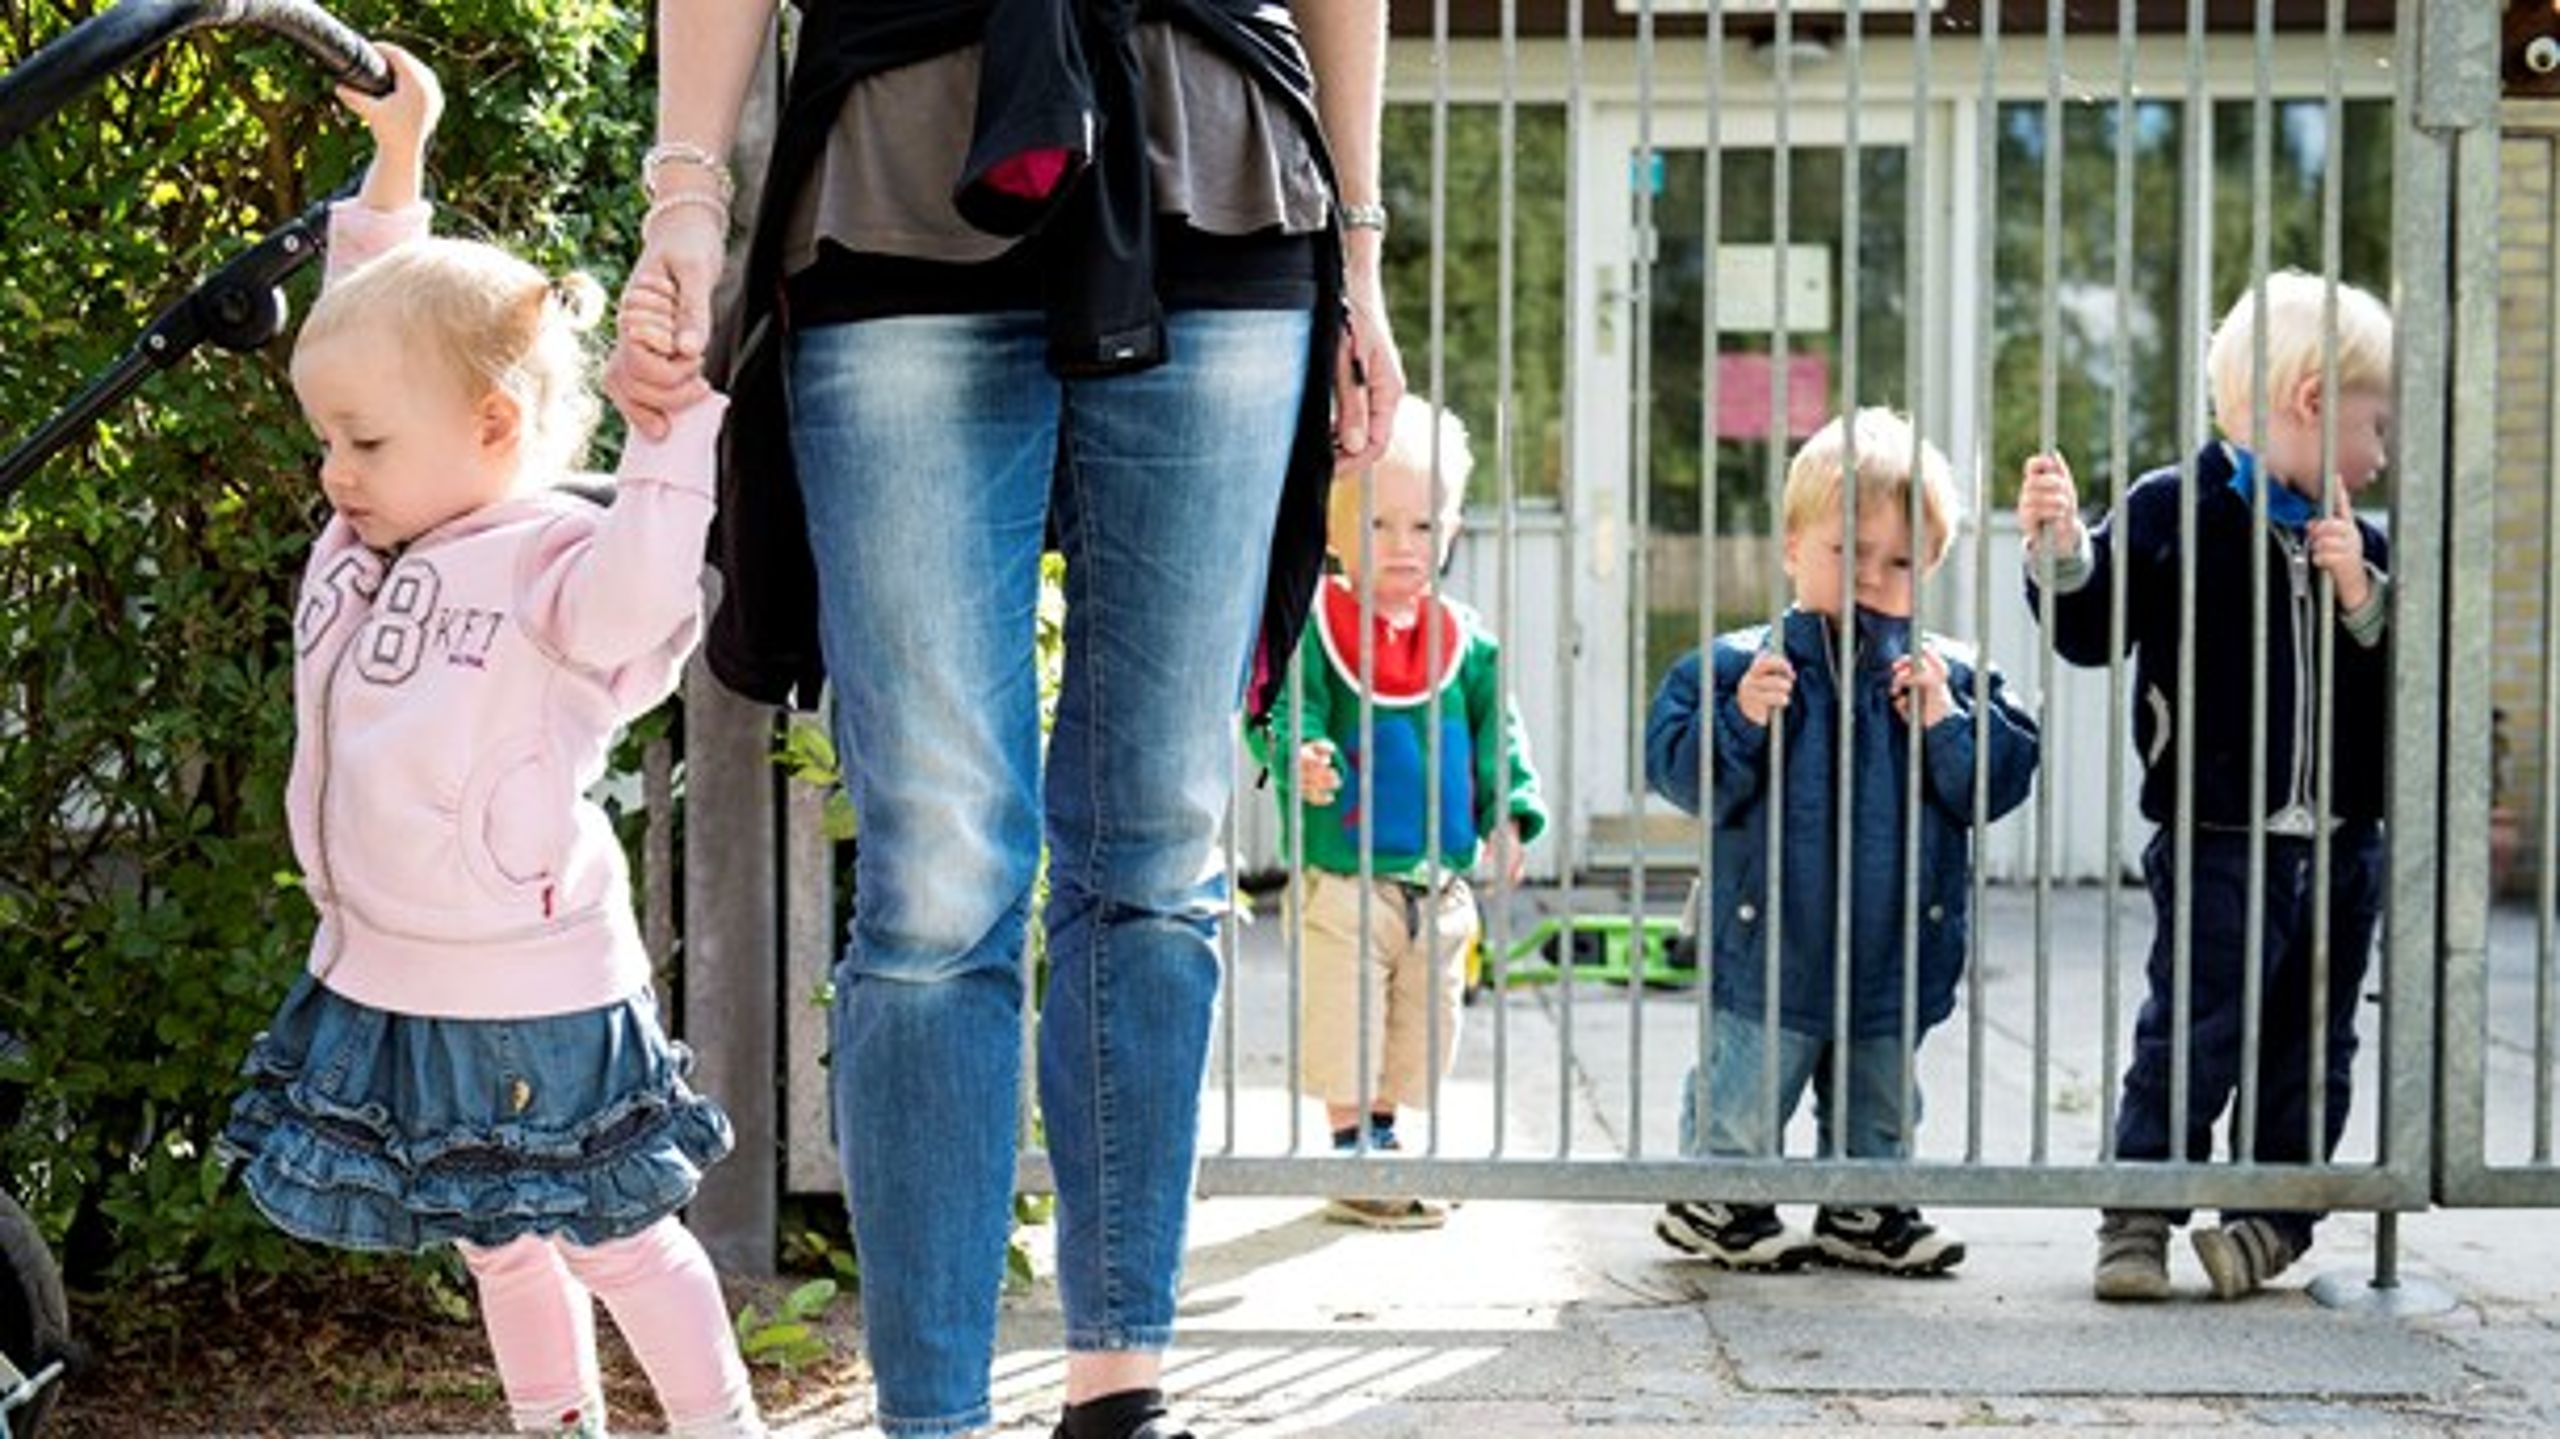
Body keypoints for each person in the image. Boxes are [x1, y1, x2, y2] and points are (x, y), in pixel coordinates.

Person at [603, 0, 1402, 1431]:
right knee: (938, 869)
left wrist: (1360, 249)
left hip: (1222, 177)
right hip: (900, 182)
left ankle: (1121, 1385)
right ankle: (933, 1415)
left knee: (1160, 846)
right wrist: (687, 195)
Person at [215, 47, 763, 1437]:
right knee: (493, 1234)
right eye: (326, 440)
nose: (334, 471)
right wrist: (399, 165)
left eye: (361, 443)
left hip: (538, 983)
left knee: (613, 1233)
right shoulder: (371, 535)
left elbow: (651, 591)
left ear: (494, 428)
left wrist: (670, 441)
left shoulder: (553, 566)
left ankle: (721, 1421)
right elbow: (377, 323)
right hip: (397, 968)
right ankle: (552, 1420)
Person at [2018, 270, 2395, 1303]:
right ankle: (2138, 1215)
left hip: (2340, 841)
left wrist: (2359, 596)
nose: (2380, 452)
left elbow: (2406, 687)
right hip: (2218, 829)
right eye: (2374, 423)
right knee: (2194, 1020)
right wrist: (2060, 554)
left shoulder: (2361, 541)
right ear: (2311, 401)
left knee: (2310, 1037)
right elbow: (2093, 631)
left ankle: (2269, 1221)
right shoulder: (2168, 506)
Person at [1646, 409, 2039, 1277]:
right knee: (1748, 1077)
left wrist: (1946, 722)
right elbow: (1678, 770)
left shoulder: (1951, 675)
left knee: (1881, 1086)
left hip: (1895, 935)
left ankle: (1865, 1202)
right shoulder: (1737, 664)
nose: (1870, 576)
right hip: (1772, 930)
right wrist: (1742, 718)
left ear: (1930, 566)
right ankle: (1718, 1192)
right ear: (1792, 547)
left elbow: (2000, 782)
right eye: (1846, 552)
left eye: (1899, 561)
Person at [1251, 395, 1544, 1229]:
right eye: (1379, 525)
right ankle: (1352, 1149)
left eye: (1424, 525)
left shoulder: (1465, 639)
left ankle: (1386, 1136)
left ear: (1451, 530)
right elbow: (1283, 705)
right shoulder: (1317, 626)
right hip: (1347, 872)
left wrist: (1510, 810)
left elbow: (1501, 736)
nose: (1404, 547)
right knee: (1347, 1009)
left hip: (1437, 880)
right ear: (1337, 532)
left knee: (1422, 1017)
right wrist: (1296, 754)